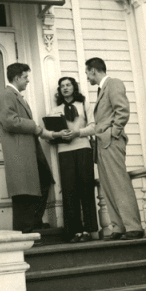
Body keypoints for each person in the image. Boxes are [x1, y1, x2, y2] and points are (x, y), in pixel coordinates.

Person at [0, 63, 66, 233]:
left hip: (30, 151)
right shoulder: (7, 94)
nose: (28, 80)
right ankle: (24, 233)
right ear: (17, 77)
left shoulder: (16, 95)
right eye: (26, 77)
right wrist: (33, 125)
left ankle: (33, 224)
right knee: (23, 193)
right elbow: (9, 121)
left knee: (43, 181)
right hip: (19, 154)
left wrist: (50, 134)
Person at [85, 57, 143, 240]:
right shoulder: (101, 89)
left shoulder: (114, 84)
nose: (87, 76)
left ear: (93, 70)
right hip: (101, 144)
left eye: (87, 72)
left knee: (119, 184)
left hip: (111, 142)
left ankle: (133, 226)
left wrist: (113, 133)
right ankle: (118, 227)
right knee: (108, 186)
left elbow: (122, 111)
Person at [50, 77, 98, 242]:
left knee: (86, 188)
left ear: (74, 87)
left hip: (83, 149)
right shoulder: (55, 110)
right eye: (62, 86)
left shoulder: (84, 105)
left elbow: (94, 127)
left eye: (68, 85)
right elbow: (50, 135)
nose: (65, 88)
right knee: (69, 191)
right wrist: (59, 134)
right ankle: (75, 231)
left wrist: (78, 132)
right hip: (65, 151)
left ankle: (89, 230)